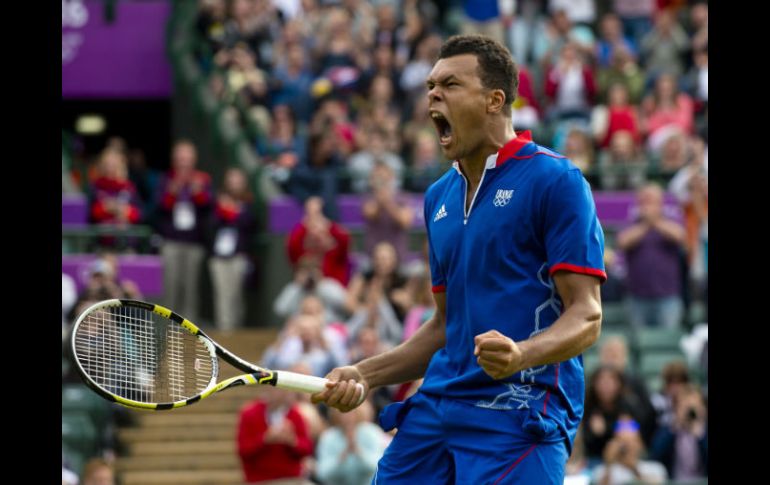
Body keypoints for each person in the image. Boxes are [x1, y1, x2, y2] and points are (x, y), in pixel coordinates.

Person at [312, 35, 606, 484]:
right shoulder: (438, 198)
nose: (433, 94)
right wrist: (365, 374)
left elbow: (586, 316)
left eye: (449, 84)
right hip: (439, 405)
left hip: (520, 407)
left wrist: (521, 355)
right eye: (430, 85)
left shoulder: (556, 180)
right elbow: (444, 327)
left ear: (494, 100)